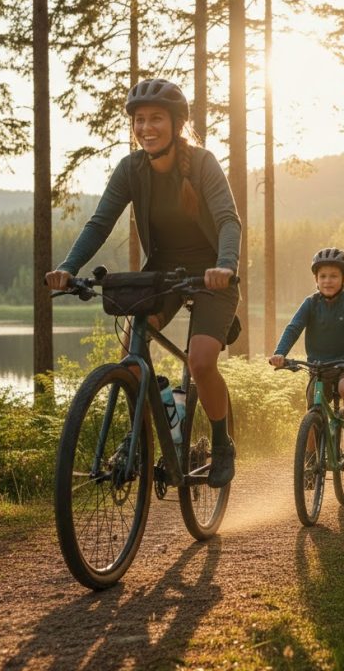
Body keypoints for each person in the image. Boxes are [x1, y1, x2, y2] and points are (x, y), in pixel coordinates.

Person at [45, 78, 241, 488]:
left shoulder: (203, 163)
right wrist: (68, 265)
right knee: (133, 358)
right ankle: (145, 439)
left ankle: (222, 445)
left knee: (201, 361)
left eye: (155, 119)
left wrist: (224, 265)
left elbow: (227, 220)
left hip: (211, 275)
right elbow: (100, 223)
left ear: (176, 124)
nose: (146, 127)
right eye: (139, 120)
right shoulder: (131, 169)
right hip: (162, 271)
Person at [268, 248, 344, 458]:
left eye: (334, 276)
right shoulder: (310, 303)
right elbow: (293, 328)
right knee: (312, 411)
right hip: (318, 366)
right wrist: (280, 353)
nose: (328, 281)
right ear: (316, 279)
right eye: (323, 276)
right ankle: (309, 458)